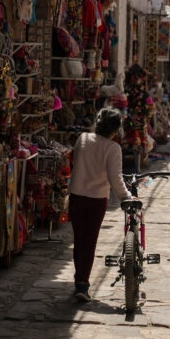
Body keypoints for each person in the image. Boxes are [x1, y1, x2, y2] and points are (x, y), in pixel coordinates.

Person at [68, 107, 132, 303]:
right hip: (96, 200)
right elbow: (115, 178)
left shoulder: (83, 139)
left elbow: (75, 161)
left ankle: (79, 280)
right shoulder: (112, 148)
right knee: (89, 241)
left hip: (77, 196)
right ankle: (82, 284)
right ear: (115, 130)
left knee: (79, 240)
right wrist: (126, 197)